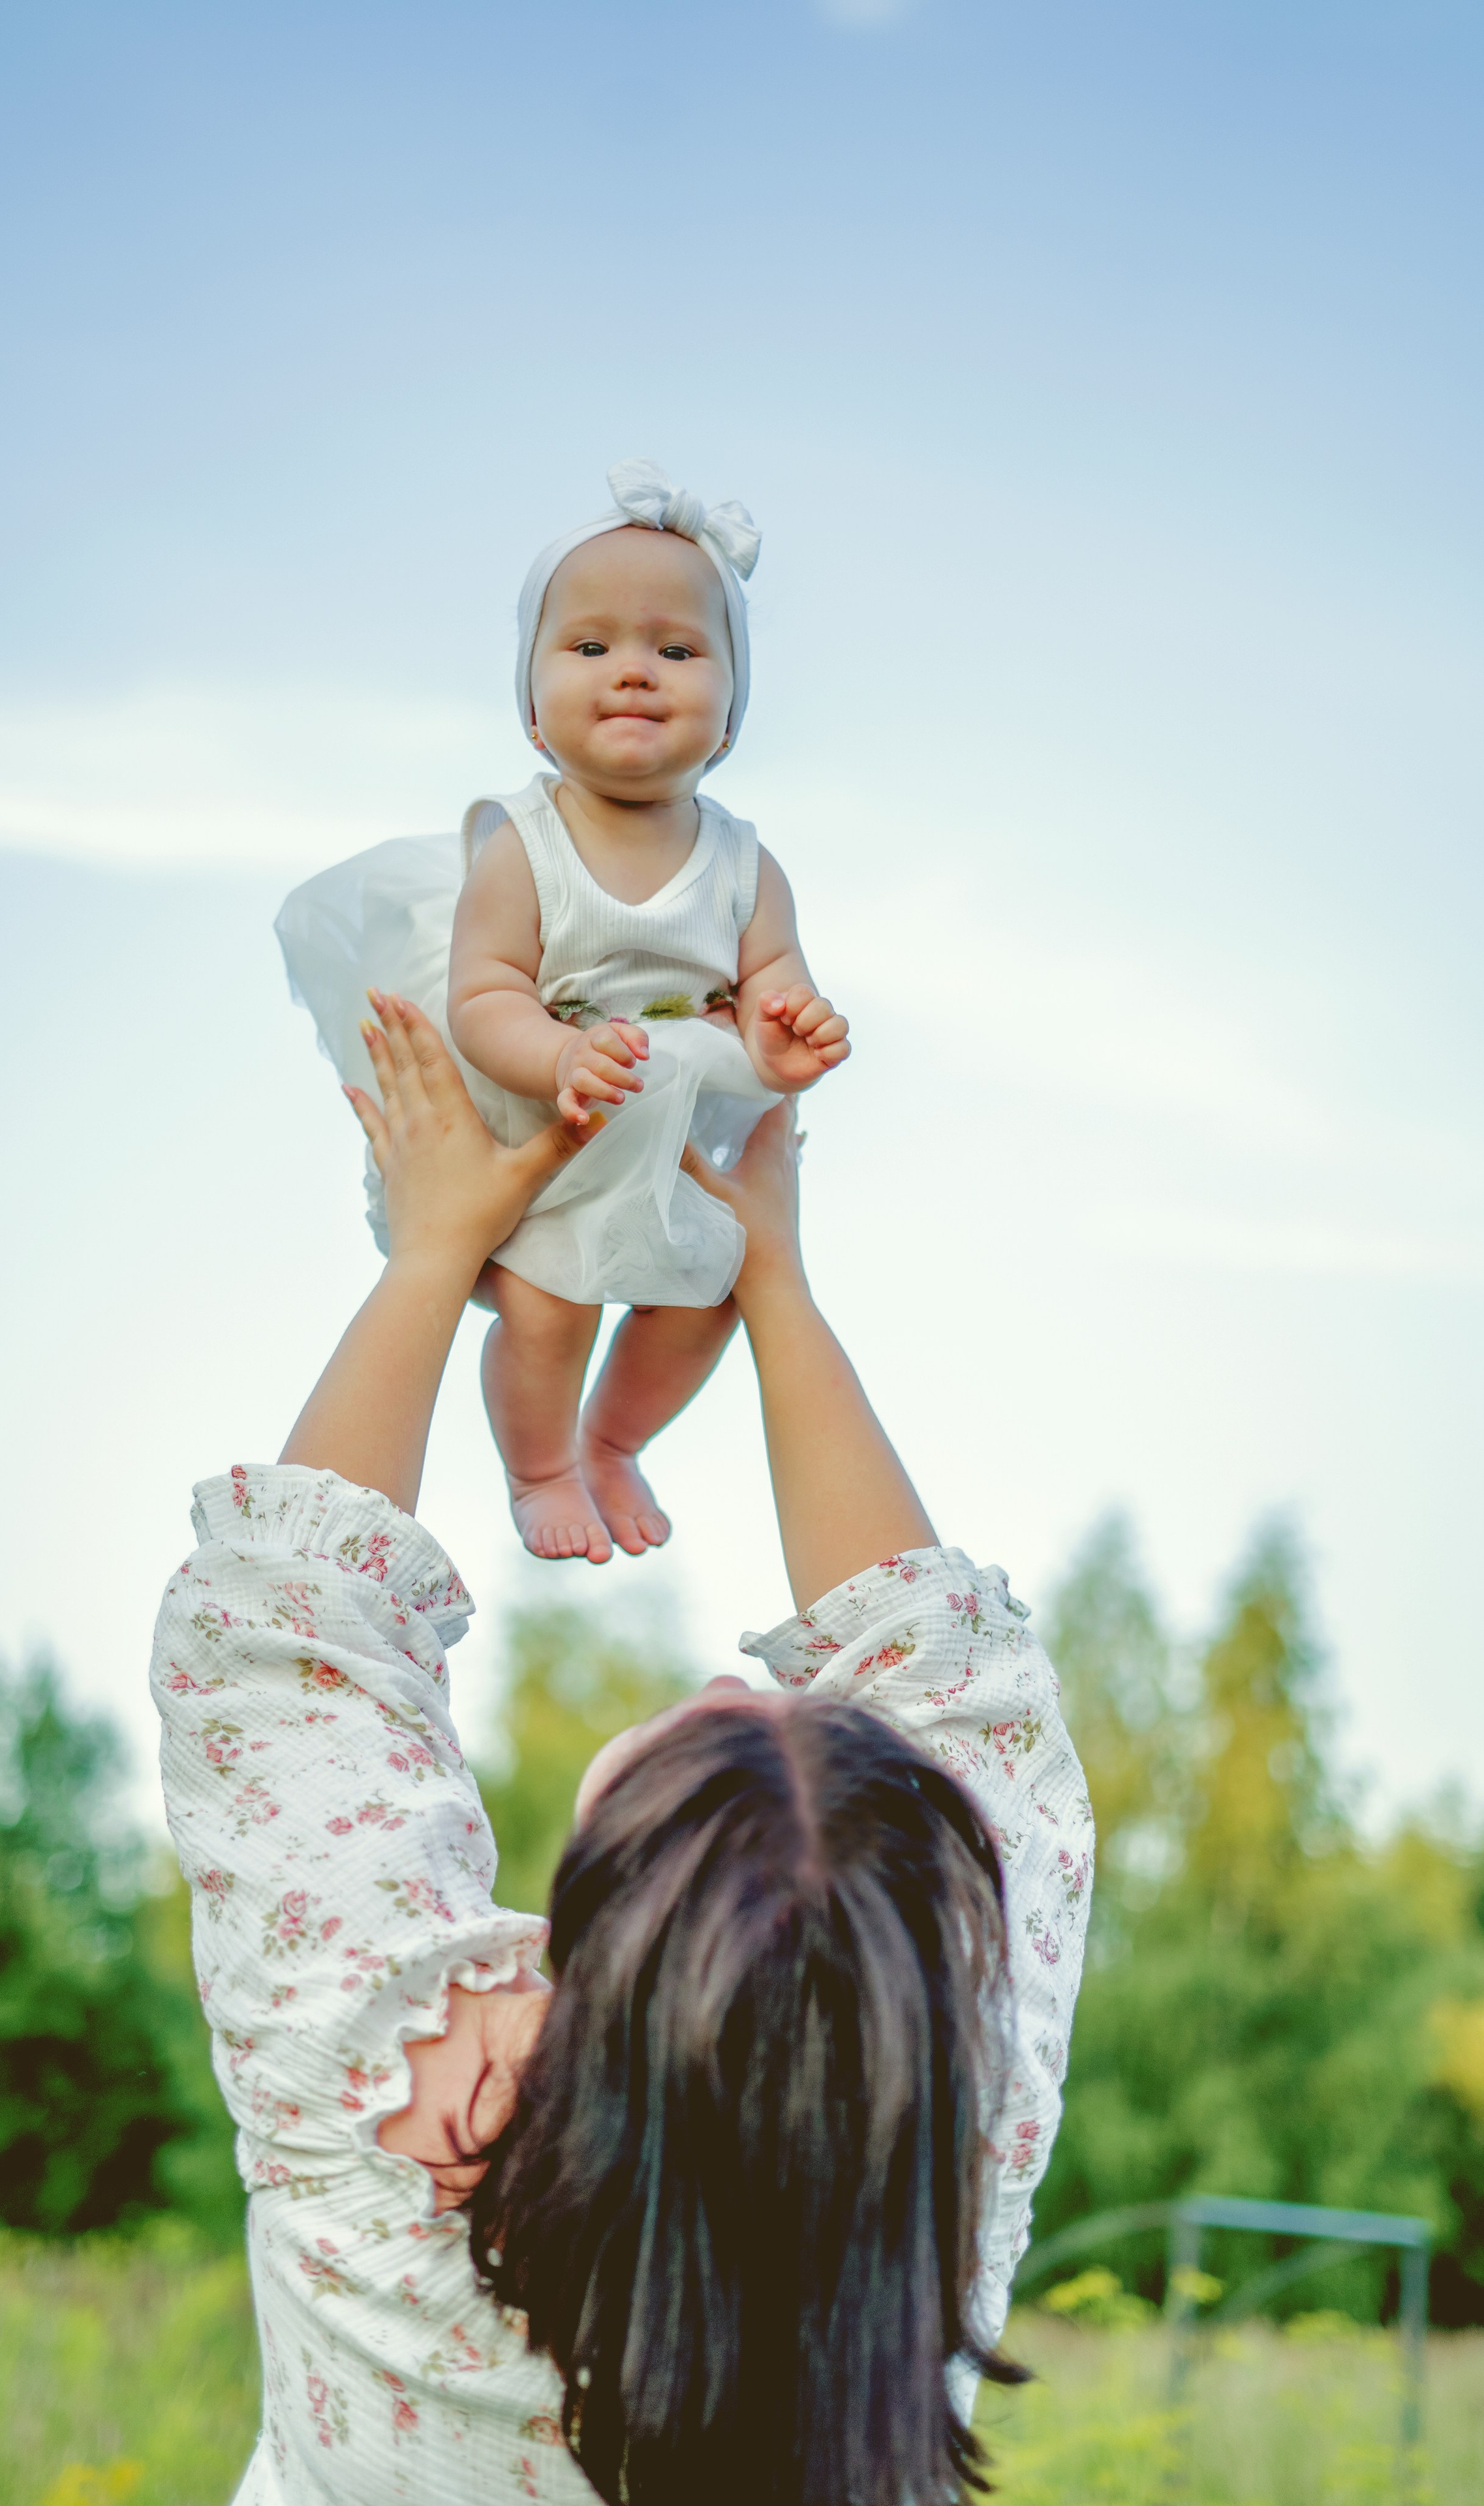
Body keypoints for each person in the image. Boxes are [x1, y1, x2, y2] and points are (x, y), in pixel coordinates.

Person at [150, 995, 1092, 2506]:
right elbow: (960, 1689)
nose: (730, 1682)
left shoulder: (381, 2105)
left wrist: (434, 1252)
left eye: (715, 1739)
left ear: (595, 1942)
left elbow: (282, 1631)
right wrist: (770, 1285)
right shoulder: (941, 2188)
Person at [275, 459, 849, 1569]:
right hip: (546, 1118)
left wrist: (785, 1038)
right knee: (553, 1311)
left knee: (711, 1297)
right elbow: (484, 994)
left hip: (669, 1133)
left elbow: (773, 978)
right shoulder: (525, 848)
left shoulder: (745, 865)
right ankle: (541, 1465)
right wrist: (558, 1056)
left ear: (730, 719)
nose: (633, 669)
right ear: (534, 715)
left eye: (676, 651)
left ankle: (616, 1439)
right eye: (590, 647)